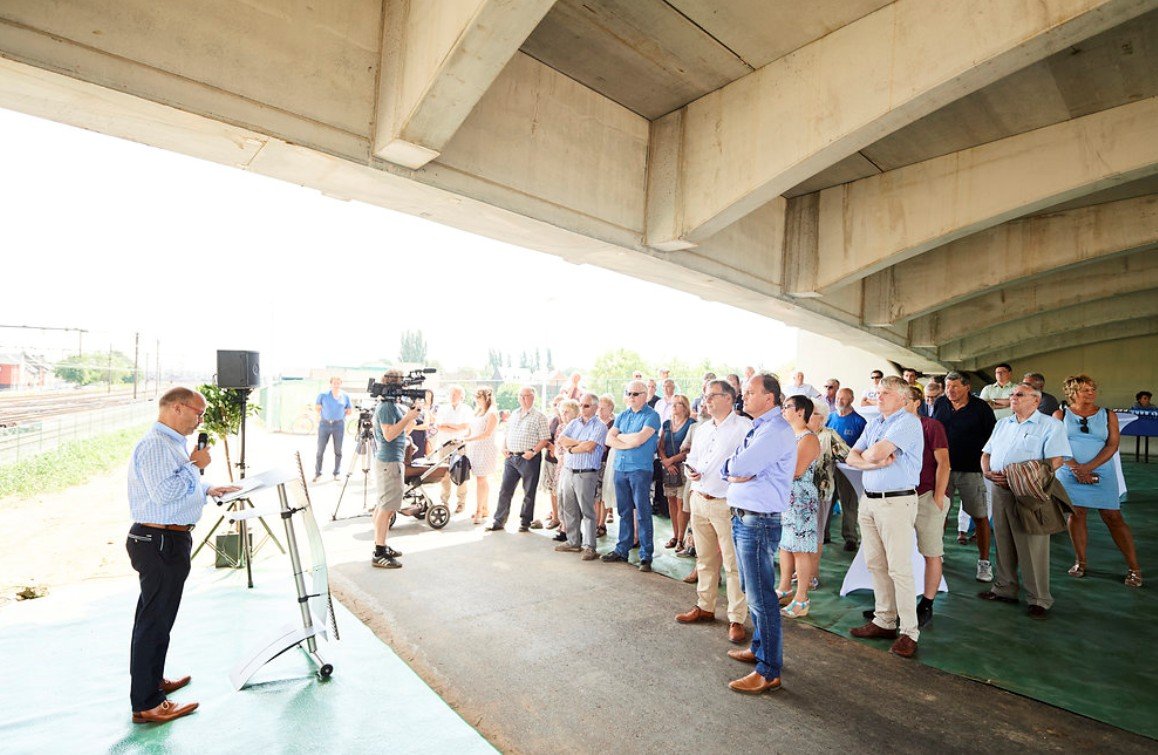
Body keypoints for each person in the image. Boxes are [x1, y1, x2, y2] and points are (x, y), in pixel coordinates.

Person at [126, 387, 240, 724]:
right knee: (154, 623)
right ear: (177, 408)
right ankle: (147, 704)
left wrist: (206, 487)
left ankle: (152, 683)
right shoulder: (157, 445)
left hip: (166, 540)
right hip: (159, 541)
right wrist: (195, 465)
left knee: (156, 621)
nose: (200, 420)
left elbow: (174, 486)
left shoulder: (171, 443)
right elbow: (165, 493)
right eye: (198, 412)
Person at [720, 373, 795, 694]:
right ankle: (760, 648)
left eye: (751, 392)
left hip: (758, 521)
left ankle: (768, 670)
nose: (744, 396)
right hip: (746, 518)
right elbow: (737, 468)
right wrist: (735, 470)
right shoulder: (760, 427)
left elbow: (738, 467)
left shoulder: (776, 430)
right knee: (753, 589)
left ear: (770, 398)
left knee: (761, 596)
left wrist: (733, 470)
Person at [846, 376, 925, 659]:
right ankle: (884, 620)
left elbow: (875, 451)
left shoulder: (907, 422)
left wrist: (872, 456)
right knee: (876, 563)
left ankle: (909, 632)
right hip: (870, 502)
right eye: (878, 392)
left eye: (886, 393)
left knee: (899, 568)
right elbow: (851, 455)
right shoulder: (876, 423)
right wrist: (874, 460)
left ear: (903, 399)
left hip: (896, 502)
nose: (879, 397)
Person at [979, 382, 1071, 618]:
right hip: (999, 489)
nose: (1013, 398)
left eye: (1019, 395)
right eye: (1012, 395)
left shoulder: (1050, 425)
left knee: (1032, 543)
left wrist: (1021, 477)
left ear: (1036, 400)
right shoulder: (1003, 423)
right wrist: (987, 472)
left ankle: (1039, 598)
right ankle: (1004, 588)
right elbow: (986, 453)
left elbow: (1055, 461)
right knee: (1003, 539)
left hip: (1029, 492)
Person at [676, 379, 752, 644]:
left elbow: (749, 465)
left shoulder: (745, 427)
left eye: (712, 396)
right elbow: (694, 458)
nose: (706, 400)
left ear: (729, 398)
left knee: (733, 564)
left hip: (727, 503)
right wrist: (691, 468)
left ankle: (736, 618)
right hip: (699, 497)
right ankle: (705, 606)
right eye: (705, 396)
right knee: (705, 560)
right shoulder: (703, 428)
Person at [1054, 375, 1142, 587]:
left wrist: (1088, 467)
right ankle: (1080, 561)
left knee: (1113, 516)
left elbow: (1112, 445)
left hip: (1101, 470)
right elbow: (1054, 443)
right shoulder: (1060, 414)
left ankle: (1134, 567)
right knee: (1077, 513)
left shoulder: (1107, 414)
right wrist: (1075, 467)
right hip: (1069, 470)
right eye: (1085, 390)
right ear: (1072, 392)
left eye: (1093, 389)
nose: (1091, 393)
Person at [933, 372, 997, 581]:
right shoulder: (941, 403)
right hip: (943, 469)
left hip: (971, 471)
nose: (950, 390)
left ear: (967, 387)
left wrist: (984, 463)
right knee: (938, 513)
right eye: (947, 386)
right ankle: (936, 554)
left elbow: (992, 438)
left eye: (955, 386)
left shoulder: (981, 408)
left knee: (979, 516)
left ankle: (984, 562)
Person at [601, 380, 662, 572]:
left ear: (645, 396)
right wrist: (629, 441)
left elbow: (639, 439)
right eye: (629, 393)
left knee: (643, 513)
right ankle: (622, 549)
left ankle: (646, 555)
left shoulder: (652, 416)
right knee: (624, 512)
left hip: (640, 470)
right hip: (621, 468)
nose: (631, 397)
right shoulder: (622, 416)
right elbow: (608, 439)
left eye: (636, 394)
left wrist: (623, 439)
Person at [904, 386, 950, 627]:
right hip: (901, 496)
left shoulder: (931, 427)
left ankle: (927, 604)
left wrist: (938, 497)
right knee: (898, 552)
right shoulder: (893, 427)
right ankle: (896, 604)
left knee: (931, 551)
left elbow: (944, 462)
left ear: (916, 402)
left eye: (905, 400)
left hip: (927, 495)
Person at [372, 370, 425, 568]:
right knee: (387, 508)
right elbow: (389, 435)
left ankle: (381, 545)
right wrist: (406, 418)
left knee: (383, 506)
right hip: (389, 462)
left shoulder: (391, 406)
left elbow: (404, 431)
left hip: (391, 460)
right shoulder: (386, 407)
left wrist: (411, 417)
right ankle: (379, 552)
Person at [776, 395, 821, 620]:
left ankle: (802, 598)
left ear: (801, 411)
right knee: (785, 544)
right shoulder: (787, 435)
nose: (783, 410)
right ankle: (785, 588)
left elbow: (795, 471)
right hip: (784, 496)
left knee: (800, 547)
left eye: (788, 407)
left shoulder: (808, 438)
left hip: (800, 497)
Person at [487, 386, 551, 532]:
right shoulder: (514, 414)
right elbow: (507, 433)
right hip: (511, 457)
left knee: (529, 492)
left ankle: (525, 522)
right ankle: (499, 520)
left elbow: (545, 439)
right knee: (505, 490)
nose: (523, 398)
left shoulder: (539, 416)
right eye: (521, 396)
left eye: (526, 396)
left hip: (528, 458)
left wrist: (533, 452)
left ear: (533, 397)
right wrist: (504, 447)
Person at [555, 393, 609, 560]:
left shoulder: (600, 426)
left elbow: (590, 446)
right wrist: (579, 443)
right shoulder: (573, 423)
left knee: (587, 512)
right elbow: (561, 440)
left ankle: (590, 547)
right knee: (568, 508)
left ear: (595, 407)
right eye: (581, 405)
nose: (582, 408)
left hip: (586, 473)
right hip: (568, 471)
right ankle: (573, 542)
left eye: (586, 405)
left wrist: (571, 447)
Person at [826, 387, 867, 550]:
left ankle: (850, 537)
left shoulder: (859, 421)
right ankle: (824, 534)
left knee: (848, 503)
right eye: (837, 398)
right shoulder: (829, 418)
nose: (839, 401)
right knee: (827, 500)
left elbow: (864, 447)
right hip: (830, 466)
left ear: (851, 400)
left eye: (843, 399)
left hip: (849, 469)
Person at [808, 400, 848, 557]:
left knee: (816, 535)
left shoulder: (828, 435)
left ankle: (812, 576)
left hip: (820, 492)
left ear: (823, 417)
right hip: (796, 495)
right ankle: (799, 572)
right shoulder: (795, 432)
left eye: (814, 413)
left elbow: (847, 455)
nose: (809, 416)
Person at [658, 394, 693, 551]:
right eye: (673, 403)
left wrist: (671, 460)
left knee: (681, 503)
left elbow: (689, 449)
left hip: (683, 467)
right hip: (668, 468)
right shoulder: (666, 423)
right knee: (671, 501)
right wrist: (665, 461)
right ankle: (674, 534)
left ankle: (681, 539)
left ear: (685, 407)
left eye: (678, 404)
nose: (674, 406)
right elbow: (661, 445)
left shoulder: (691, 424)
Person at [461, 387, 499, 525]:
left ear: (486, 398)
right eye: (476, 397)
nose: (477, 400)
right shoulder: (477, 411)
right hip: (475, 449)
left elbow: (487, 433)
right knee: (480, 479)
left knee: (481, 479)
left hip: (486, 449)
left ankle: (479, 511)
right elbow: (472, 429)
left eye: (479, 397)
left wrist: (469, 439)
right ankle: (485, 508)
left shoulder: (492, 413)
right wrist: (465, 437)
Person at [435, 385, 473, 513]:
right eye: (451, 394)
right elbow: (439, 426)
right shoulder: (442, 408)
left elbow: (465, 426)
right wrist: (456, 427)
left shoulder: (467, 409)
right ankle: (444, 501)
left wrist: (450, 426)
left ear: (462, 396)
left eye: (455, 394)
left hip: (459, 445)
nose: (452, 397)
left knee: (461, 474)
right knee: (444, 474)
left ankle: (461, 503)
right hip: (444, 445)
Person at [549, 399, 580, 542]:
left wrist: (566, 454)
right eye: (562, 412)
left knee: (572, 500)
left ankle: (574, 531)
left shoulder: (579, 426)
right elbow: (556, 447)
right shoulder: (560, 427)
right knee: (561, 497)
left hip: (573, 465)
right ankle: (563, 527)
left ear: (575, 412)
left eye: (567, 412)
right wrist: (559, 456)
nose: (564, 414)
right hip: (561, 465)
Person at [314, 376, 352, 482]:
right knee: (320, 450)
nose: (336, 385)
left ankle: (336, 473)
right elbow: (317, 408)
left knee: (338, 450)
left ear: (341, 383)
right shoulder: (323, 395)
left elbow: (349, 410)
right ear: (331, 383)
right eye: (334, 383)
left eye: (338, 383)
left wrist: (340, 413)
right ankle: (318, 473)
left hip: (338, 425)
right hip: (324, 425)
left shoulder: (345, 396)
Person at [595, 394, 617, 535]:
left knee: (603, 494)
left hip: (607, 462)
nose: (600, 411)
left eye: (603, 408)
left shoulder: (614, 424)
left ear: (611, 409)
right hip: (594, 462)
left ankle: (601, 524)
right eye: (599, 408)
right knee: (595, 495)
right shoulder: (594, 422)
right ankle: (595, 523)